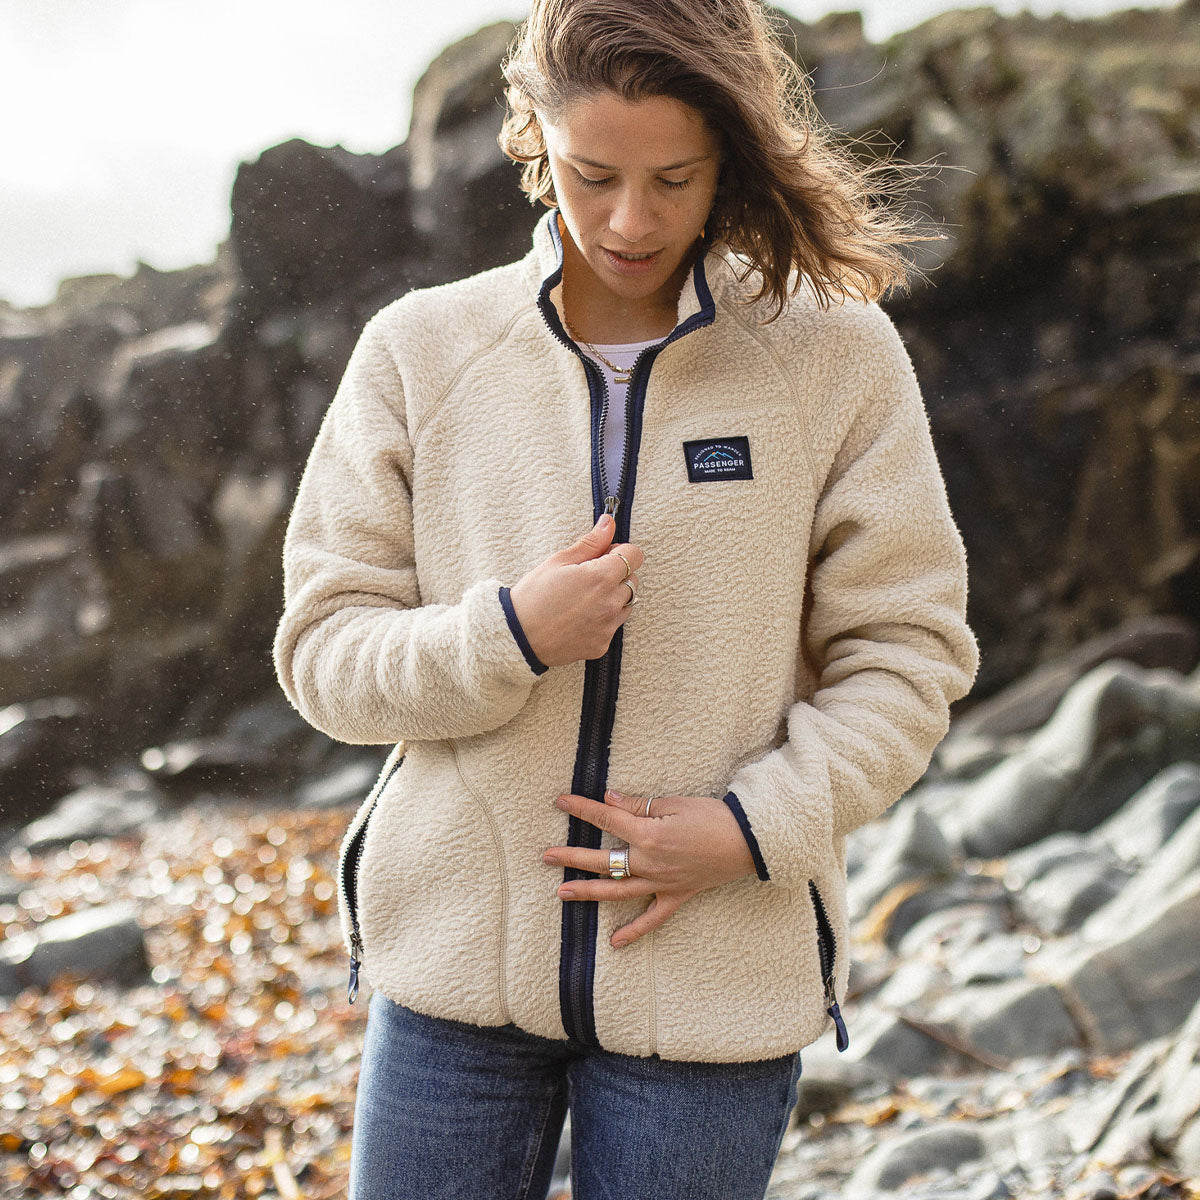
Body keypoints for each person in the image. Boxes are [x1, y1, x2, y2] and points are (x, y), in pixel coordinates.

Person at [272, 0, 980, 1196]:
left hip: (714, 985)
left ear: (730, 161)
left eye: (674, 180)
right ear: (534, 138)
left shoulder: (836, 357)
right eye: (592, 175)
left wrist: (749, 830)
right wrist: (506, 636)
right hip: (451, 987)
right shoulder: (420, 351)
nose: (630, 221)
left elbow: (908, 657)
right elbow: (323, 653)